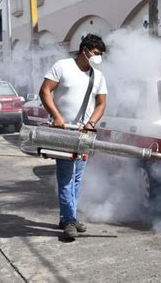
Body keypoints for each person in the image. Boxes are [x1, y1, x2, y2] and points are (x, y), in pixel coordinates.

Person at [39, 34, 107, 239]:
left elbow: (102, 104)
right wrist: (57, 117)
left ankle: (68, 216)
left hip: (84, 134)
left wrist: (91, 123)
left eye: (100, 55)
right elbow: (45, 91)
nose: (98, 58)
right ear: (84, 50)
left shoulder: (98, 76)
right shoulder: (62, 66)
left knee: (77, 178)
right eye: (96, 53)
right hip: (64, 132)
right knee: (66, 176)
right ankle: (69, 220)